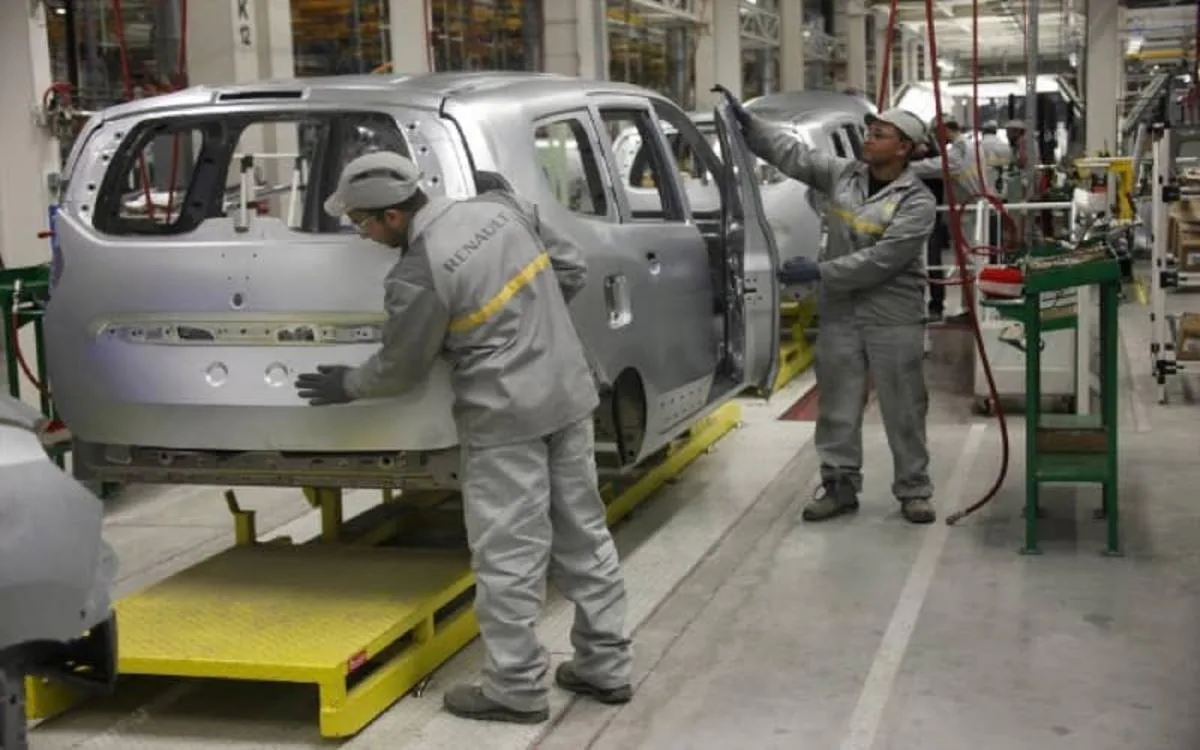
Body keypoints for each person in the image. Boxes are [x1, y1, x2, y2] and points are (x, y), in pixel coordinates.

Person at [294, 150, 634, 724]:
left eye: (361, 222)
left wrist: (347, 384)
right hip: (569, 394)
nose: (362, 234)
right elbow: (571, 269)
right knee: (584, 534)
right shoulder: (504, 208)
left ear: (393, 216)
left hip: (504, 417)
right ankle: (606, 666)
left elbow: (402, 368)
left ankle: (516, 689)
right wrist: (529, 317)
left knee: (508, 554)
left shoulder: (416, 273)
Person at [716, 87, 938, 524]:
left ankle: (914, 489)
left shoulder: (917, 201)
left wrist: (819, 273)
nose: (868, 138)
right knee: (837, 404)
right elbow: (793, 154)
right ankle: (839, 486)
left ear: (904, 148)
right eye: (870, 131)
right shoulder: (843, 175)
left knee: (904, 407)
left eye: (880, 134)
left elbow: (882, 260)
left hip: (893, 315)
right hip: (841, 312)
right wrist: (750, 124)